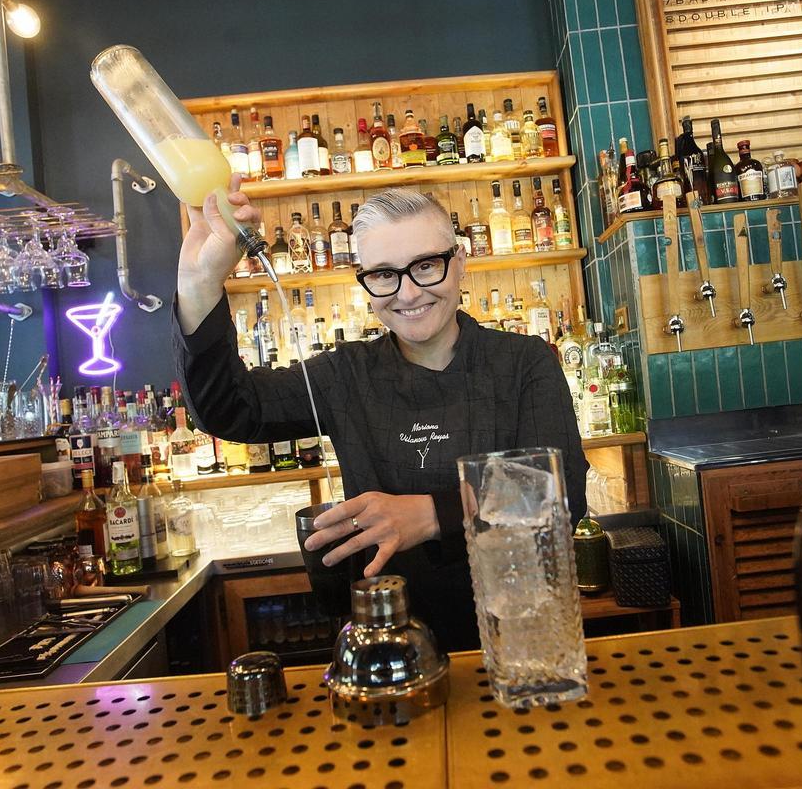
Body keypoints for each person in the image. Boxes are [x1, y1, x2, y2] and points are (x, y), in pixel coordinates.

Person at [173, 176, 588, 651]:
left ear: (460, 263)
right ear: (365, 282)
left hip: (518, 643)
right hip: (388, 651)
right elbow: (228, 410)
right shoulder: (344, 374)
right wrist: (199, 282)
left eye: (426, 266)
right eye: (385, 275)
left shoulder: (524, 361)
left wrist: (430, 515)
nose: (407, 294)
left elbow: (560, 493)